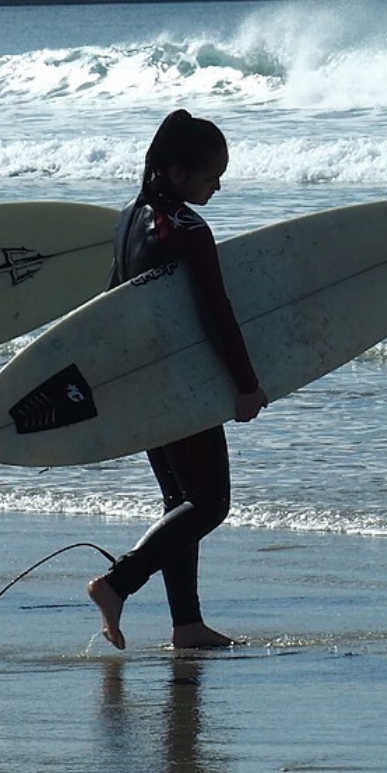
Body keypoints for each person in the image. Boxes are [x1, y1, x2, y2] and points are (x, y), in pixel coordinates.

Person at [87, 109, 267, 650]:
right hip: (181, 386)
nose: (219, 182)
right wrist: (245, 384)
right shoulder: (186, 229)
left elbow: (108, 308)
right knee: (209, 504)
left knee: (180, 505)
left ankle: (186, 624)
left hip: (143, 383)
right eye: (212, 172)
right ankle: (118, 583)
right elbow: (217, 312)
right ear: (175, 170)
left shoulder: (127, 221)